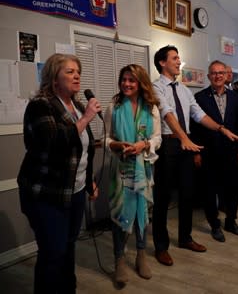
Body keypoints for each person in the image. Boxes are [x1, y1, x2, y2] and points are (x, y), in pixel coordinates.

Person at [151, 45, 238, 266]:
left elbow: (199, 115)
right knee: (163, 198)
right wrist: (182, 137)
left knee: (187, 195)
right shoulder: (155, 87)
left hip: (186, 144)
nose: (178, 61)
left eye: (178, 58)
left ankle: (185, 238)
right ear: (162, 62)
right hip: (169, 145)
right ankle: (161, 247)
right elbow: (167, 113)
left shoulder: (183, 89)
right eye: (175, 58)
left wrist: (221, 129)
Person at [17, 53, 100, 293]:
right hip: (46, 194)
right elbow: (54, 143)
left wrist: (90, 180)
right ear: (54, 78)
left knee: (69, 247)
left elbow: (86, 150)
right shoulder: (40, 105)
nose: (77, 76)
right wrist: (86, 118)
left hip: (74, 192)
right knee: (53, 253)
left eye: (78, 71)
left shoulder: (78, 106)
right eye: (69, 71)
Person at [104, 64, 161, 285]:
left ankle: (140, 254)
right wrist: (117, 144)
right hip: (120, 170)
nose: (126, 84)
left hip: (143, 170)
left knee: (142, 214)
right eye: (124, 79)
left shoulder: (152, 108)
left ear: (141, 83)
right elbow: (106, 138)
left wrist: (144, 144)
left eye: (132, 80)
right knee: (120, 216)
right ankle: (119, 259)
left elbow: (158, 138)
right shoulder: (114, 106)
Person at [192, 60, 238, 242]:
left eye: (221, 73)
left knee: (233, 189)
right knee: (210, 191)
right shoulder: (199, 98)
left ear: (226, 76)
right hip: (209, 153)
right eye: (214, 73)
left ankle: (231, 222)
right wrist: (197, 152)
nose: (217, 76)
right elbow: (195, 128)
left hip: (231, 152)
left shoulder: (234, 98)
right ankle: (215, 225)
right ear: (209, 76)